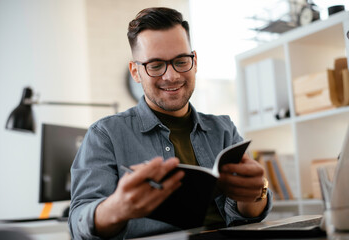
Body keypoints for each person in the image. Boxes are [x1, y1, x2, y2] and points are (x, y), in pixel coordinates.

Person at [69, 7, 272, 240]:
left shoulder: (224, 128)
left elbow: (249, 218)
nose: (171, 76)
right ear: (136, 71)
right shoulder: (104, 135)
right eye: (155, 65)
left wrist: (256, 194)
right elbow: (78, 225)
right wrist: (117, 208)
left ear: (194, 61)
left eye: (180, 61)